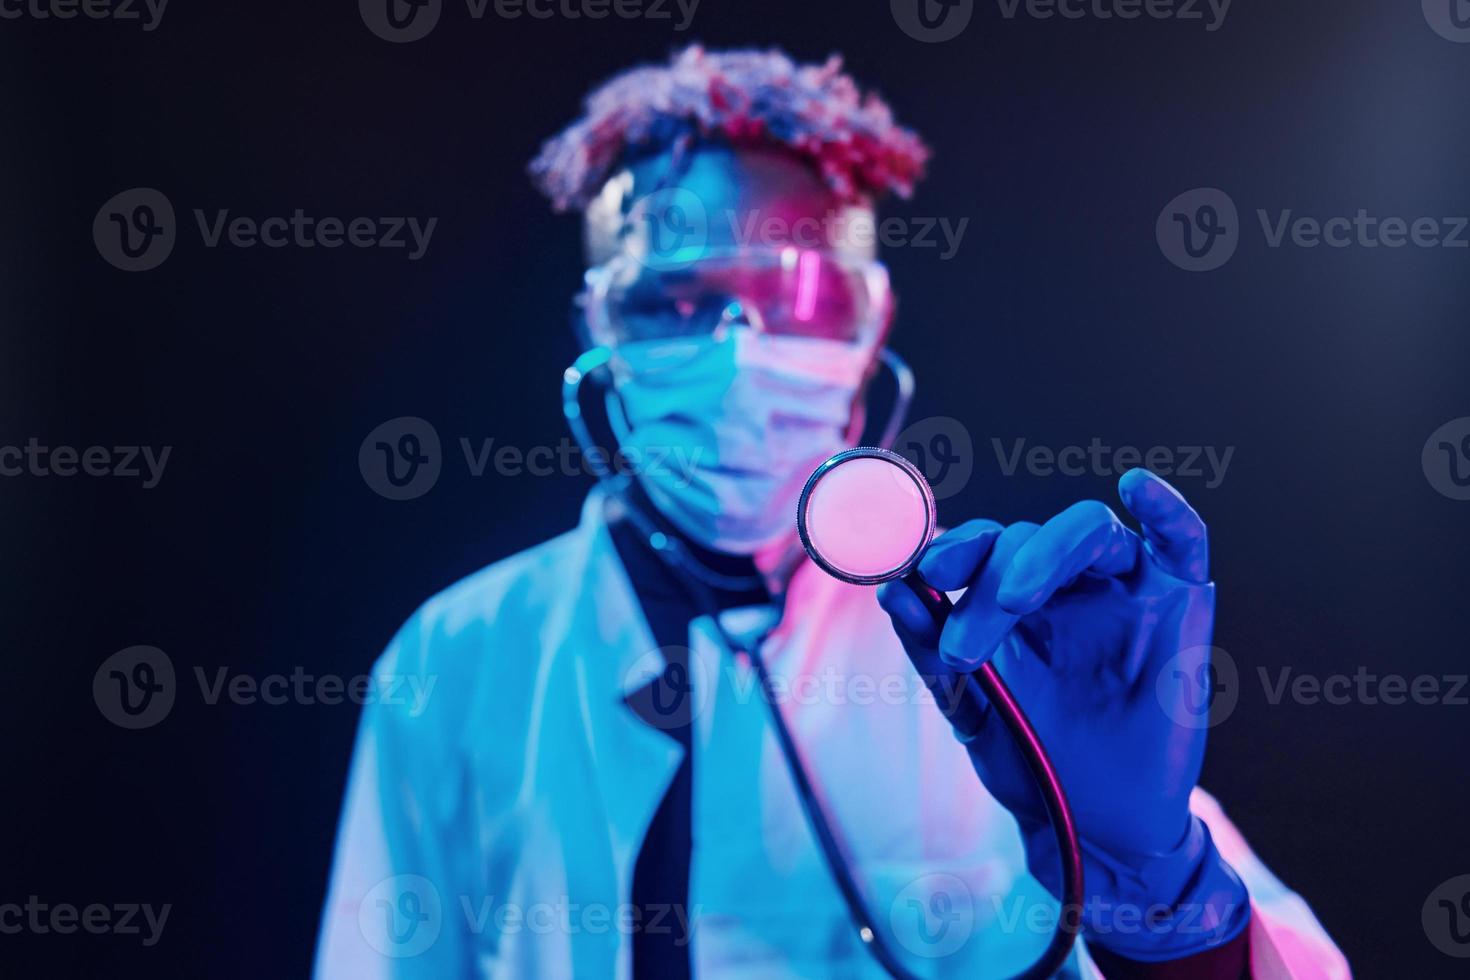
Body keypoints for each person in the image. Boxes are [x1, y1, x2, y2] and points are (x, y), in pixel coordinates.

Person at [315, 47, 1348, 979]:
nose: (739, 348)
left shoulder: (998, 651)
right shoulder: (457, 656)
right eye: (673, 300)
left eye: (799, 296)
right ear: (598, 328)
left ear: (871, 323)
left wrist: (1152, 894)